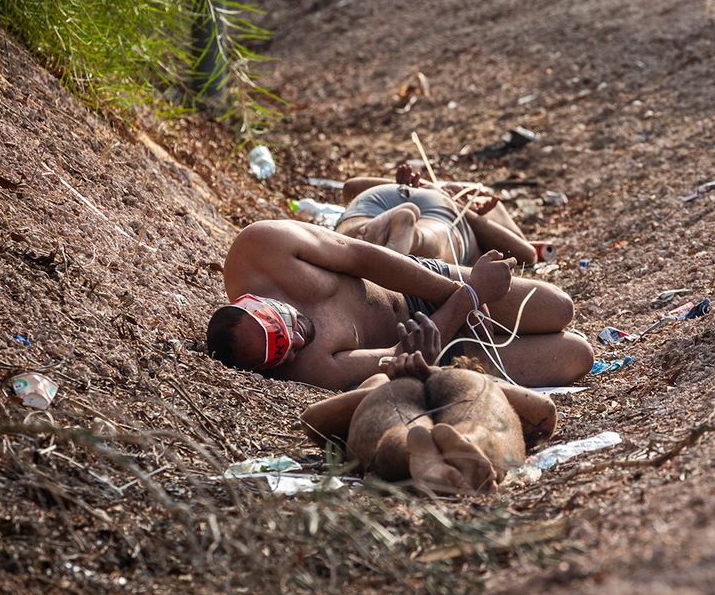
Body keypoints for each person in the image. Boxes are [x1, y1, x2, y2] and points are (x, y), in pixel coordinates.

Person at [204, 219, 593, 390]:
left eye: (286, 326)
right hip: (437, 344)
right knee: (576, 355)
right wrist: (469, 298)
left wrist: (455, 290)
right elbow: (400, 355)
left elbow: (363, 256)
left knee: (558, 306)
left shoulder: (260, 247)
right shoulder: (309, 367)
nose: (300, 340)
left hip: (416, 285)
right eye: (285, 351)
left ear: (256, 300)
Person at [300, 351, 557, 494]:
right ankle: (474, 442)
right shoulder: (476, 378)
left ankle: (409, 453)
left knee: (399, 432)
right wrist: (439, 373)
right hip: (463, 380)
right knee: (481, 424)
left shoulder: (377, 380)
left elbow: (313, 420)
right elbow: (543, 410)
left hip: (391, 391)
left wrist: (393, 379)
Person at [335, 166, 537, 267]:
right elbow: (527, 255)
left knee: (356, 225)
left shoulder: (477, 197)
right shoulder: (480, 197)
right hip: (439, 209)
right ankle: (410, 235)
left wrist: (405, 187)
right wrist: (459, 207)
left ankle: (361, 233)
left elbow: (351, 187)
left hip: (385, 197)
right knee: (431, 237)